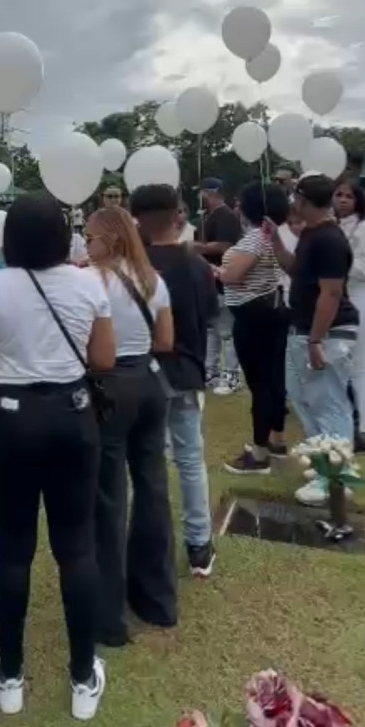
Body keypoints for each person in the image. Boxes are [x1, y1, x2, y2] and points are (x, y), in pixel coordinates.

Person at [0, 193, 115, 721]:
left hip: (11, 419)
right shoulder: (88, 283)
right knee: (76, 549)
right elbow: (103, 359)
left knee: (12, 549)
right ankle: (81, 675)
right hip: (72, 416)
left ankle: (11, 674)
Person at [83, 206, 175, 646]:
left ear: (112, 240)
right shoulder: (154, 280)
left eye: (90, 237)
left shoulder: (91, 281)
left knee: (109, 498)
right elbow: (167, 342)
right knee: (153, 487)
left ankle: (108, 614)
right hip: (150, 381)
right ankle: (158, 599)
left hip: (110, 385)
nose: (85, 245)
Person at [129, 185, 218, 579]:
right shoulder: (197, 265)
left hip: (140, 375)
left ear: (137, 218)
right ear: (177, 215)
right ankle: (199, 545)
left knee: (143, 464)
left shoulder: (129, 266)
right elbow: (210, 319)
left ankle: (142, 545)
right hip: (185, 372)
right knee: (189, 461)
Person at [266, 173, 358, 506]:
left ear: (303, 201)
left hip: (327, 333)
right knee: (303, 398)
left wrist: (316, 340)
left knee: (329, 403)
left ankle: (336, 478)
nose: (292, 204)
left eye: (295, 199)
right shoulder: (310, 234)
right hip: (305, 329)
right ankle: (323, 463)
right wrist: (275, 242)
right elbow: (296, 271)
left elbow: (331, 294)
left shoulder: (329, 240)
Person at [219, 183, 291, 475]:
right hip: (272, 312)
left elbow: (233, 276)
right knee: (273, 379)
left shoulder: (254, 239)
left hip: (254, 317)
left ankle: (259, 452)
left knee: (260, 384)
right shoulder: (271, 236)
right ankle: (277, 440)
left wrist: (214, 271)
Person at [334, 181, 365, 452]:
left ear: (359, 200)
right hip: (341, 300)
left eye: (349, 196)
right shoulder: (334, 225)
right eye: (338, 195)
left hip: (363, 299)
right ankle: (346, 424)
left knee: (360, 366)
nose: (342, 200)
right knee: (341, 367)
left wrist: (336, 260)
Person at [195, 178, 242, 394]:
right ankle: (210, 372)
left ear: (211, 193)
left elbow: (226, 245)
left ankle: (232, 375)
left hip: (224, 279)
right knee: (211, 329)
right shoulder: (207, 217)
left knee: (226, 331)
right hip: (208, 281)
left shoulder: (226, 216)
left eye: (202, 193)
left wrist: (197, 248)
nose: (200, 197)